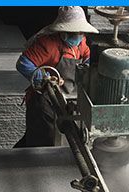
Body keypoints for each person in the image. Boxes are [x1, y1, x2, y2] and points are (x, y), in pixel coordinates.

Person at [14, 7, 99, 148]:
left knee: (63, 137)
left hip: (67, 98)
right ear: (63, 33)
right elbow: (23, 63)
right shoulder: (48, 45)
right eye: (75, 33)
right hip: (44, 100)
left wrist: (87, 70)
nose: (80, 36)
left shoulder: (81, 43)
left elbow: (86, 57)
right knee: (42, 139)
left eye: (81, 32)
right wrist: (45, 78)